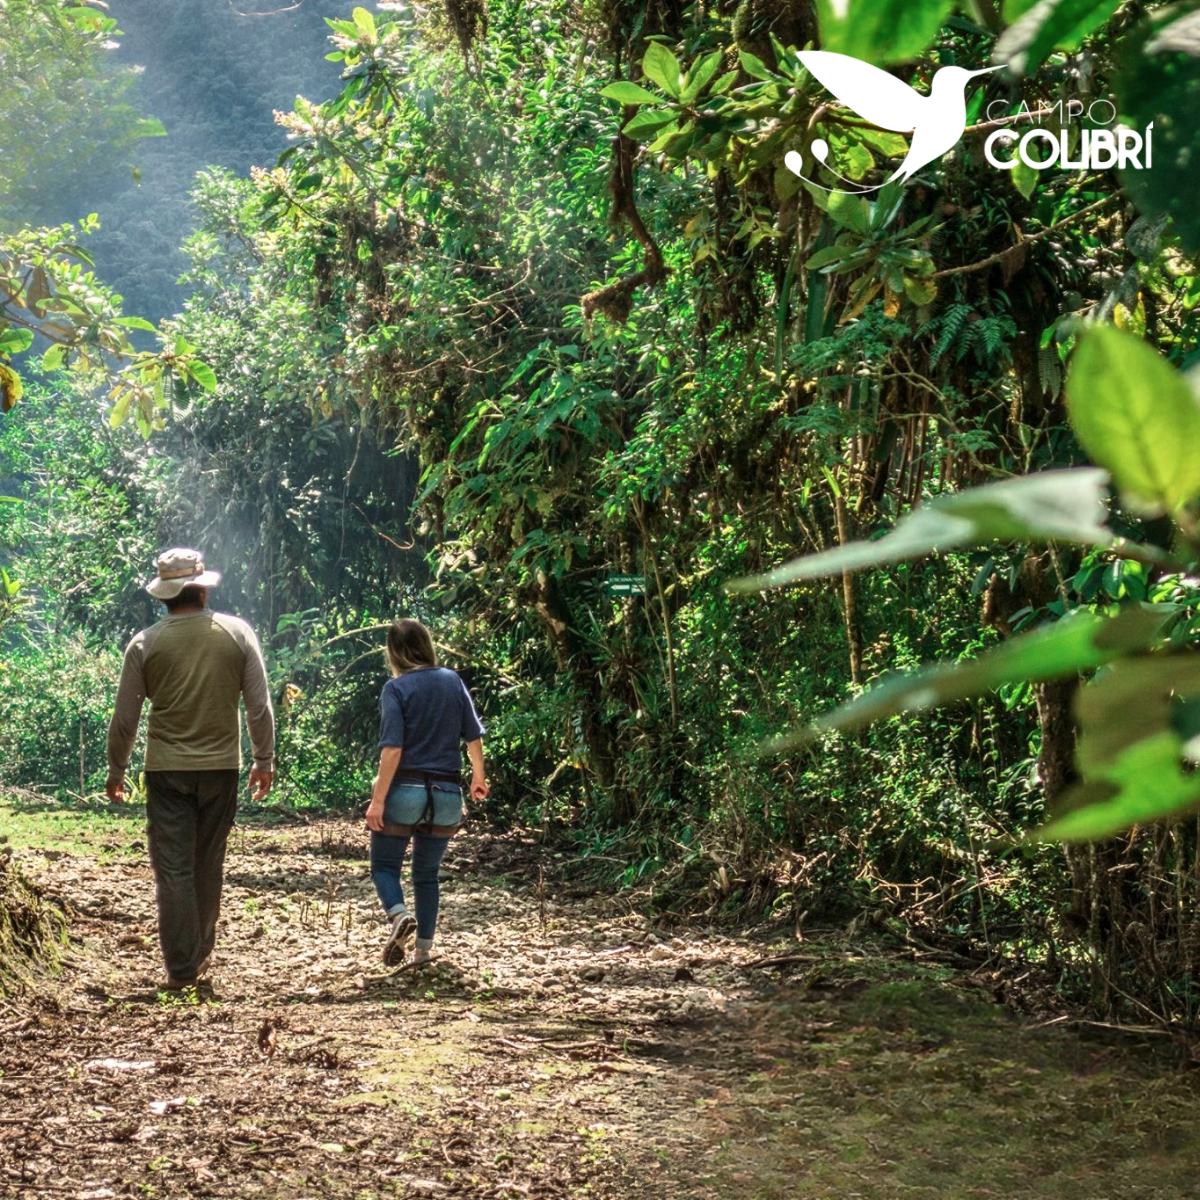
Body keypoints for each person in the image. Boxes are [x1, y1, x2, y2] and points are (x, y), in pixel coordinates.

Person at [106, 547, 275, 990]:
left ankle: (181, 968)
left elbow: (126, 719)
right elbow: (258, 707)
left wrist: (116, 768)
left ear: (166, 596)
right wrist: (264, 760)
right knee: (208, 862)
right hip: (222, 768)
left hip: (165, 771)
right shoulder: (236, 633)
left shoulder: (145, 643)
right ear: (201, 590)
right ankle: (199, 954)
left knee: (173, 868)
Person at [366, 618, 488, 967]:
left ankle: (399, 915)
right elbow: (473, 737)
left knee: (385, 867)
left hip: (405, 791)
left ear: (394, 651)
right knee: (426, 874)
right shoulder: (452, 680)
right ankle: (422, 952)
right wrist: (478, 777)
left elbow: (392, 749)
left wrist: (378, 800)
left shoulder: (396, 687)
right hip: (447, 794)